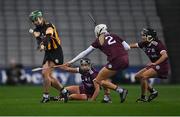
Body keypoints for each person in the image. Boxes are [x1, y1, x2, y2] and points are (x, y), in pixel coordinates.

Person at [64, 24, 130, 103]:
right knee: (103, 78)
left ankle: (121, 91)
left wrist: (71, 61)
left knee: (97, 80)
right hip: (125, 59)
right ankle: (107, 98)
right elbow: (127, 47)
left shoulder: (99, 40)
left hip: (116, 60)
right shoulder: (115, 35)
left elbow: (85, 52)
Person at [29, 10, 68, 103]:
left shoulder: (49, 25)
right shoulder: (35, 31)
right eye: (34, 20)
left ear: (41, 17)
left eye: (37, 19)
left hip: (56, 52)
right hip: (48, 53)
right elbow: (39, 40)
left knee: (45, 73)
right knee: (47, 75)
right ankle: (64, 92)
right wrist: (40, 45)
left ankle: (46, 97)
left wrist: (43, 44)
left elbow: (48, 37)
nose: (36, 21)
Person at [130, 28, 169, 102]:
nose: (142, 37)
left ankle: (143, 98)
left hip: (161, 66)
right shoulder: (144, 43)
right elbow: (131, 46)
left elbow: (165, 56)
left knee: (143, 77)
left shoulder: (157, 44)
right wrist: (120, 46)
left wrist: (155, 63)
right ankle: (153, 92)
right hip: (154, 65)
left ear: (150, 36)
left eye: (144, 35)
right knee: (137, 76)